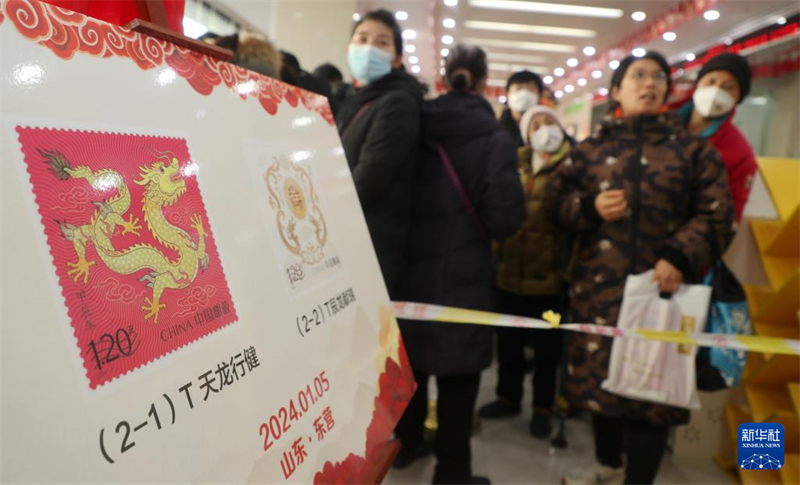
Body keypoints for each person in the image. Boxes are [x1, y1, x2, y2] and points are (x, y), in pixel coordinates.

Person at [547, 52, 735, 485]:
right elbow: (554, 207)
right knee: (604, 388)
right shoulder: (590, 150)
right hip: (600, 293)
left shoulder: (693, 152)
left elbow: (717, 215)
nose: (650, 84)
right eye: (638, 76)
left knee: (654, 396)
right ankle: (607, 467)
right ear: (616, 91)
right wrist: (589, 209)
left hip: (663, 292)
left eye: (659, 77)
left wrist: (679, 255)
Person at [394, 44, 525, 484]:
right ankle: (452, 473)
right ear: (485, 83)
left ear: (444, 78)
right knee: (458, 383)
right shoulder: (495, 138)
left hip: (408, 273)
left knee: (412, 371)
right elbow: (505, 220)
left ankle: (406, 447)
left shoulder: (414, 123)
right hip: (465, 280)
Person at [479, 105, 574, 440]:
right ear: (526, 134)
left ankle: (543, 409)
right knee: (509, 344)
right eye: (536, 124)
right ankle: (508, 397)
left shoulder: (573, 168)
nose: (544, 129)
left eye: (550, 122)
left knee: (547, 352)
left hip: (549, 280)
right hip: (508, 273)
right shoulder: (513, 164)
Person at [335, 9, 424, 296]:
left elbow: (370, 178)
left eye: (382, 42)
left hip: (369, 243)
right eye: (362, 38)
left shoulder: (397, 102)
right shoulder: (355, 99)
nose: (369, 47)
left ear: (397, 58)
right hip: (347, 234)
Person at [675, 53, 757, 221]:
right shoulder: (661, 123)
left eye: (729, 87)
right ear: (698, 83)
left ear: (738, 98)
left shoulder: (740, 151)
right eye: (711, 81)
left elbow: (729, 216)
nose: (716, 90)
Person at [499, 70, 544, 147]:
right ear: (507, 94)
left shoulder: (547, 128)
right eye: (518, 88)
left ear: (539, 95)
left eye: (530, 89)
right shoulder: (496, 130)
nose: (524, 93)